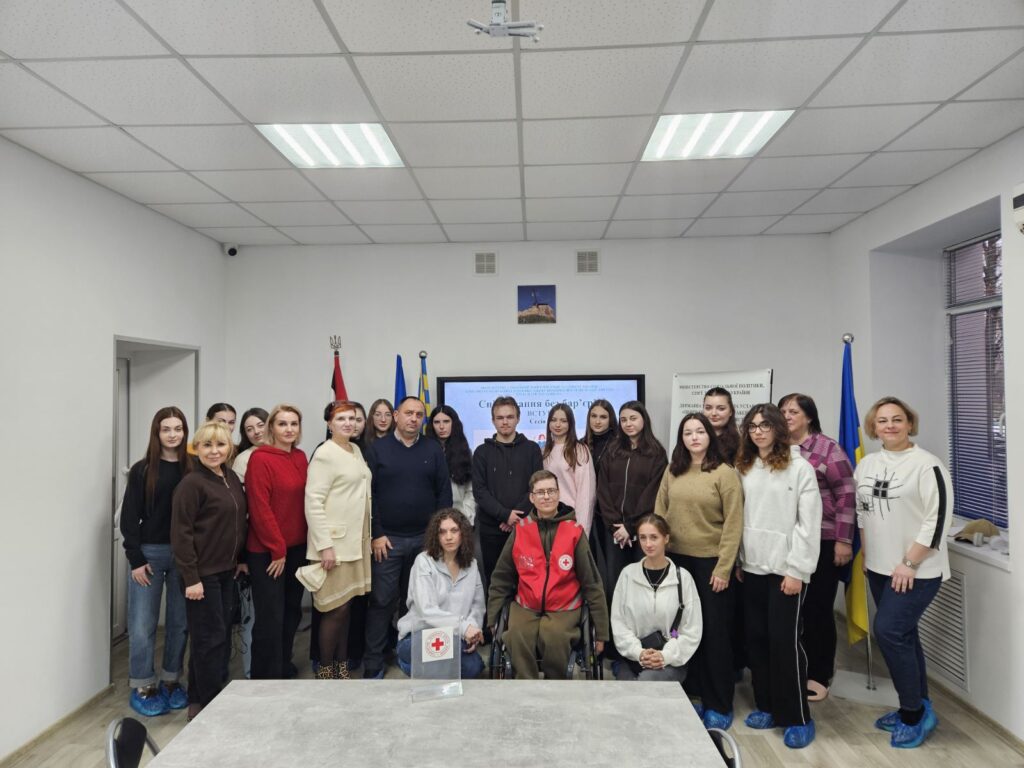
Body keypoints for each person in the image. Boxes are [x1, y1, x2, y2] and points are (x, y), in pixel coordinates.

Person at [856, 397, 952, 749]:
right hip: (880, 568)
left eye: (897, 419)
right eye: (882, 421)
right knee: (905, 635)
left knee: (889, 632)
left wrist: (909, 563)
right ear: (874, 427)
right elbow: (863, 511)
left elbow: (937, 520)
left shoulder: (927, 465)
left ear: (910, 423)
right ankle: (919, 705)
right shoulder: (867, 465)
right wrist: (867, 554)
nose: (890, 426)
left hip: (916, 570)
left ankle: (912, 714)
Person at [735, 404, 821, 749]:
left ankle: (798, 717)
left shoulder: (800, 468)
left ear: (778, 429)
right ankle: (767, 706)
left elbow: (808, 524)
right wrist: (740, 561)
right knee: (757, 640)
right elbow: (740, 518)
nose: (758, 431)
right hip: (752, 568)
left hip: (786, 571)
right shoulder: (744, 466)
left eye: (765, 425)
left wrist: (797, 570)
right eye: (753, 426)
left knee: (784, 643)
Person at [654, 413, 743, 729]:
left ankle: (719, 703)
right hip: (678, 562)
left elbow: (734, 523)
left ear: (710, 436)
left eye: (700, 431)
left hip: (711, 565)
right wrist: (660, 557)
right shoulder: (673, 470)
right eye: (688, 432)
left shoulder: (724, 473)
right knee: (683, 632)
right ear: (681, 438)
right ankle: (693, 694)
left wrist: (724, 567)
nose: (694, 437)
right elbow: (660, 513)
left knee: (715, 634)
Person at [487, 470, 609, 679]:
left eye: (551, 491)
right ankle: (526, 687)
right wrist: (492, 618)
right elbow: (501, 578)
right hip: (526, 605)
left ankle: (555, 689)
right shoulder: (520, 530)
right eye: (540, 492)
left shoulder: (574, 532)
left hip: (564, 606)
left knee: (554, 637)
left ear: (559, 494)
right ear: (531, 498)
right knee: (516, 636)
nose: (546, 497)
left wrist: (601, 631)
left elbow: (592, 583)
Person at [363, 396, 453, 679]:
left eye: (419, 415)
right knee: (381, 602)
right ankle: (374, 663)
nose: (414, 419)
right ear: (396, 416)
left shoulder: (432, 448)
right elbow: (369, 495)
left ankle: (410, 656)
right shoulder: (377, 449)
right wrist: (377, 534)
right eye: (408, 413)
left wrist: (439, 535)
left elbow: (444, 492)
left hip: (425, 541)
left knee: (415, 602)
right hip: (388, 541)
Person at [779, 393, 855, 702]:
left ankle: (820, 674)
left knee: (818, 610)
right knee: (792, 611)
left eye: (793, 411)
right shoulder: (778, 448)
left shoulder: (827, 449)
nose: (786, 416)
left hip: (824, 540)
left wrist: (844, 540)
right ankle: (795, 669)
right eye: (783, 411)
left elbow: (847, 494)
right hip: (788, 541)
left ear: (809, 417)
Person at [171, 420, 247, 721]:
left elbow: (237, 522)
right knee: (209, 639)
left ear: (229, 448)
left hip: (226, 570)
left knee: (216, 637)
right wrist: (191, 578)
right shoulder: (191, 484)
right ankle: (209, 704)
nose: (214, 451)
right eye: (207, 445)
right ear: (197, 448)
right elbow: (181, 534)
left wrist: (239, 559)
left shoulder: (229, 477)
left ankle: (198, 699)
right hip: (201, 576)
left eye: (220, 445)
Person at [120, 406, 193, 716]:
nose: (173, 434)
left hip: (185, 556)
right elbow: (128, 518)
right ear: (157, 433)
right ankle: (143, 685)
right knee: (142, 625)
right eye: (166, 429)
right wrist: (136, 560)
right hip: (149, 555)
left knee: (179, 623)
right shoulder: (143, 470)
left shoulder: (194, 468)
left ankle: (171, 681)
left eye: (178, 428)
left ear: (185, 432)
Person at [592, 400, 667, 656]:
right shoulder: (613, 450)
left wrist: (631, 527)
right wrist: (616, 526)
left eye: (633, 418)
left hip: (642, 534)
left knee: (640, 590)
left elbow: (653, 493)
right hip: (614, 533)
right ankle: (616, 649)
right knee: (615, 588)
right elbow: (602, 489)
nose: (628, 424)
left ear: (643, 420)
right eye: (623, 419)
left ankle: (642, 649)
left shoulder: (656, 453)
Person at [304, 401, 372, 680]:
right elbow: (313, 501)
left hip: (355, 544)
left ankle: (341, 666)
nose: (348, 423)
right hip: (334, 547)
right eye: (341, 418)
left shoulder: (355, 449)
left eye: (353, 418)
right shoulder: (325, 453)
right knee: (334, 609)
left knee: (346, 608)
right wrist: (325, 547)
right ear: (329, 424)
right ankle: (325, 670)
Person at [245, 404, 309, 679]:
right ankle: (265, 677)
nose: (289, 429)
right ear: (271, 427)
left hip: (297, 549)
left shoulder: (300, 457)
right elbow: (260, 508)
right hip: (269, 553)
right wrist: (277, 550)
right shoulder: (260, 459)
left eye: (294, 423)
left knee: (292, 612)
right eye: (282, 424)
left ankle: (283, 665)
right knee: (270, 617)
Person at [396, 509, 486, 678]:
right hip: (418, 635)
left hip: (455, 636)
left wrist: (473, 631)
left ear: (463, 533)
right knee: (459, 662)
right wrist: (463, 628)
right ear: (436, 536)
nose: (448, 537)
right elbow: (427, 610)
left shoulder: (471, 565)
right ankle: (410, 663)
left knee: (473, 667)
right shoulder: (424, 561)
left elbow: (477, 605)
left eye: (454, 530)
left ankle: (426, 669)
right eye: (442, 532)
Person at [611, 515, 701, 683]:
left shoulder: (683, 578)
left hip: (671, 660)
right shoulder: (628, 575)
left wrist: (665, 656)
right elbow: (618, 622)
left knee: (647, 683)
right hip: (634, 658)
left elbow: (692, 630)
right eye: (643, 538)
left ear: (666, 538)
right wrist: (639, 652)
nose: (648, 544)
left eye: (654, 537)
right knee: (625, 691)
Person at [472, 396, 543, 591]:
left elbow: (536, 487)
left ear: (518, 418)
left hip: (525, 527)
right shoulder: (481, 452)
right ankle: (495, 613)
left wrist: (515, 517)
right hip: (491, 530)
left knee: (526, 582)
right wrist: (505, 515)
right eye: (500, 417)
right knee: (495, 581)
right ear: (493, 420)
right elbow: (479, 491)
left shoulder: (532, 449)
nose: (505, 422)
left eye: (510, 417)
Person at [542, 403, 596, 535]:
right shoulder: (544, 451)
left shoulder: (579, 450)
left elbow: (586, 494)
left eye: (563, 421)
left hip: (571, 518)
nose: (558, 424)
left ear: (570, 424)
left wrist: (582, 530)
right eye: (554, 420)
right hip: (548, 519)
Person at [426, 405, 476, 525]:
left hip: (460, 517)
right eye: (437, 422)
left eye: (446, 421)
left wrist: (463, 516)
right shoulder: (424, 452)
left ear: (454, 424)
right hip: (430, 518)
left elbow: (471, 490)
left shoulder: (466, 452)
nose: (441, 426)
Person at [703, 388, 740, 464]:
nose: (713, 413)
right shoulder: (693, 438)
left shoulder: (741, 442)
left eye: (721, 409)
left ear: (730, 411)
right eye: (708, 408)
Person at [233, 407, 268, 482]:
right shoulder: (242, 459)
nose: (256, 431)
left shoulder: (284, 450)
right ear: (245, 434)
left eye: (261, 425)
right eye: (249, 429)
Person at [584, 399, 618, 468]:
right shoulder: (581, 443)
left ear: (610, 419)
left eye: (603, 417)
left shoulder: (618, 444)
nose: (597, 422)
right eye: (594, 416)